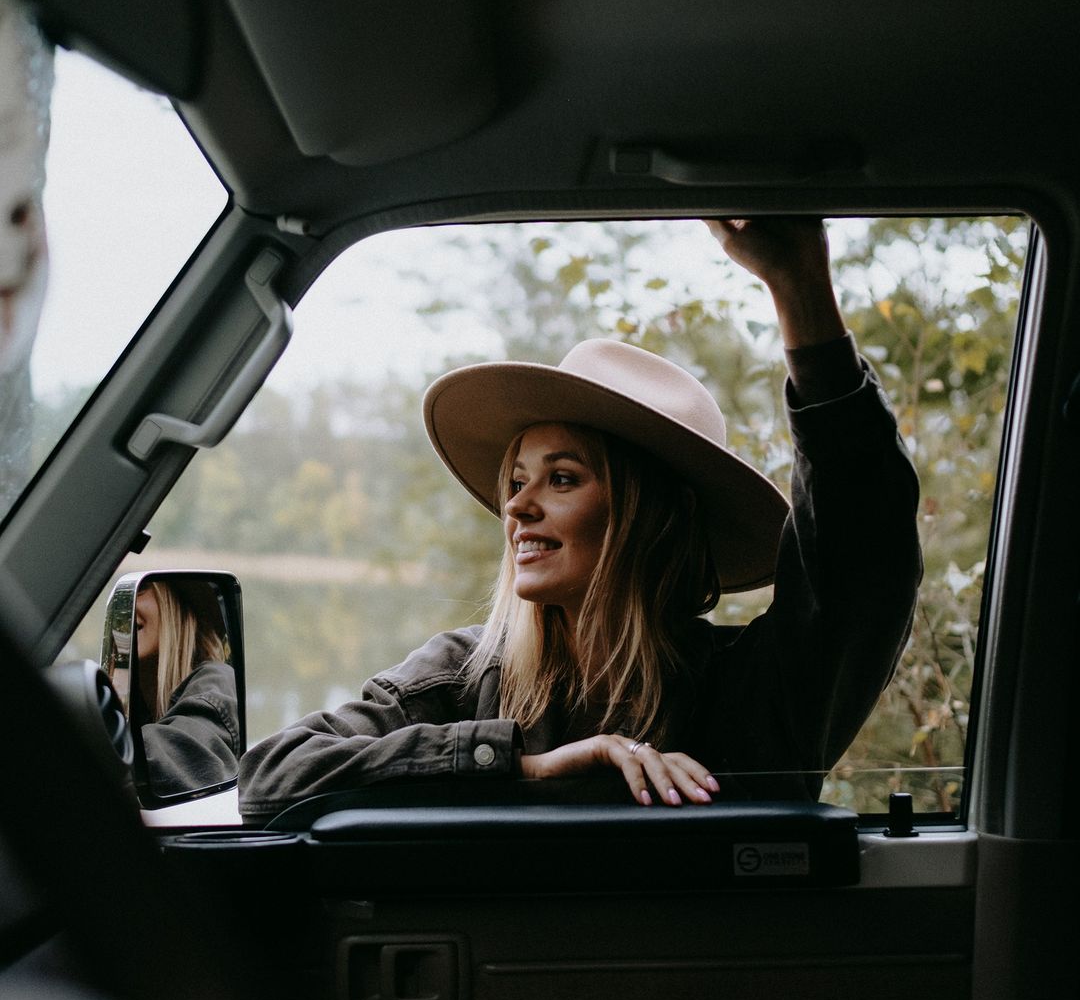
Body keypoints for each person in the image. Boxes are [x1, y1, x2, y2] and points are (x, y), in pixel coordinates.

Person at [239, 219, 921, 819]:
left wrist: (799, 283)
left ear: (656, 518)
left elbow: (864, 539)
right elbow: (271, 779)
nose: (516, 506)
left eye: (562, 478)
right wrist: (524, 765)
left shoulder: (756, 689)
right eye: (515, 480)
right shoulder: (460, 678)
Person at [134, 578, 241, 796]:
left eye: (141, 590)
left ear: (177, 606)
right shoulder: (130, 698)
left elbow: (186, 756)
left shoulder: (217, 680)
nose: (127, 606)